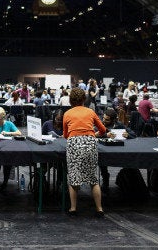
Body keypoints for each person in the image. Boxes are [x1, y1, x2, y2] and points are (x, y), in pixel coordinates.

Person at [62, 87, 106, 217]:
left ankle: (73, 208)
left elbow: (65, 135)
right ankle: (99, 209)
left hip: (74, 144)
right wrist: (93, 134)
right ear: (83, 99)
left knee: (74, 178)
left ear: (71, 100)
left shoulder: (67, 114)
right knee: (93, 179)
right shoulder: (90, 112)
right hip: (90, 143)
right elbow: (103, 130)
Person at [97, 108, 136, 190]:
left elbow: (133, 134)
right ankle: (105, 178)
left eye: (107, 120)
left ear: (114, 120)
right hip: (103, 149)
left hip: (118, 149)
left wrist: (127, 135)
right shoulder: (100, 124)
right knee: (101, 160)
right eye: (103, 118)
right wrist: (104, 135)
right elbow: (92, 134)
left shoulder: (119, 125)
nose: (104, 120)